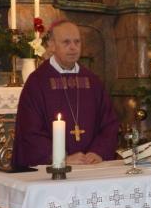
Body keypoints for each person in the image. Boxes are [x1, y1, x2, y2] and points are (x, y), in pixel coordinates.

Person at [12, 20, 119, 168]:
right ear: (52, 45)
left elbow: (109, 123)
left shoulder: (92, 81)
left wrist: (98, 151)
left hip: (91, 167)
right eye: (66, 42)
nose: (73, 48)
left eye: (77, 42)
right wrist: (61, 158)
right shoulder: (37, 82)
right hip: (53, 170)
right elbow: (30, 131)